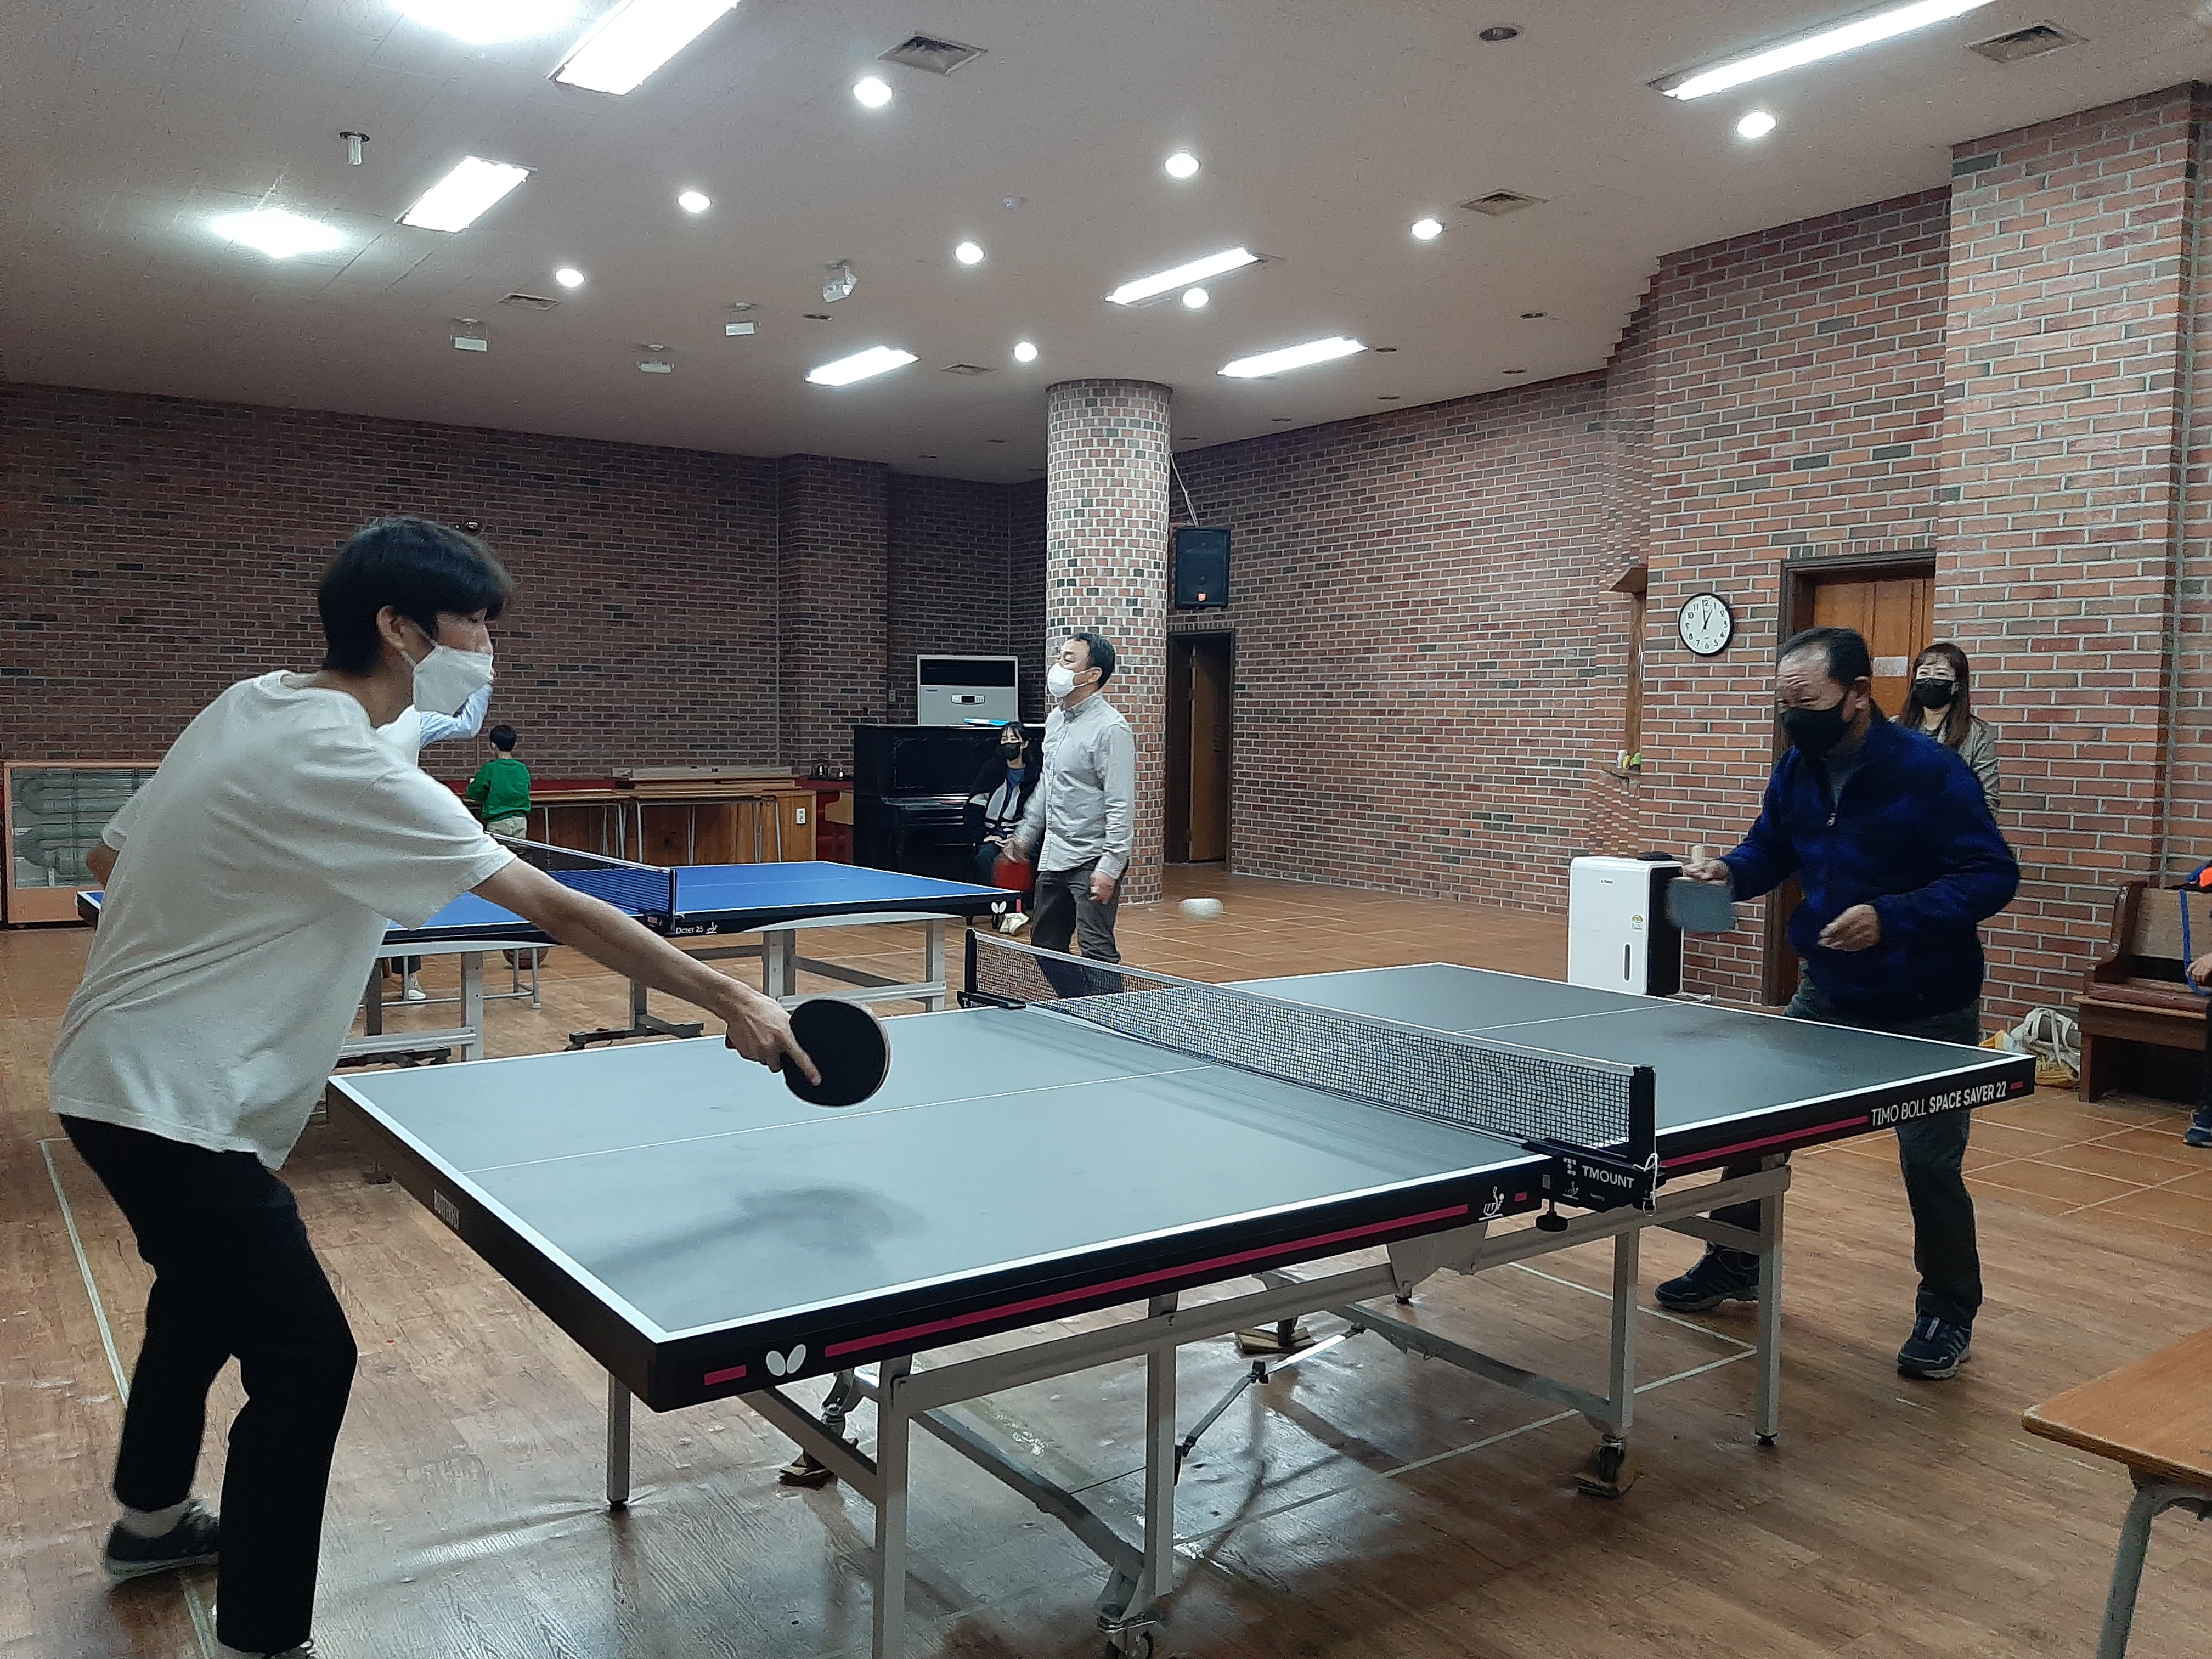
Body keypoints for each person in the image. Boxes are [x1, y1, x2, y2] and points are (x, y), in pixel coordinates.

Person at [49, 517, 813, 1659]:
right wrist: (732, 997)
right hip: (176, 1104)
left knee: (200, 1297)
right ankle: (263, 1637)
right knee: (307, 1358)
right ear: (400, 628)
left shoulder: (254, 703)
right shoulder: (347, 765)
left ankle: (151, 1522)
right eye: (474, 624)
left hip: (115, 1075)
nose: (487, 648)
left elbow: (110, 857)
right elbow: (552, 905)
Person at [1661, 624, 2018, 1382]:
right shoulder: (1799, 767)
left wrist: (1894, 916)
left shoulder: (1931, 772)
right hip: (1829, 987)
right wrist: (1729, 872)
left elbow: (1991, 875)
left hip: (1929, 999)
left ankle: (1949, 1308)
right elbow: (1772, 848)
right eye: (1783, 703)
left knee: (1930, 1162)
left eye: (1806, 700)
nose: (1793, 716)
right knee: (1757, 1130)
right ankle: (1736, 1259)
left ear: (1858, 694)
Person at [1000, 633, 1135, 981]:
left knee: (1096, 949)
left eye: (1069, 659)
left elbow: (1120, 803)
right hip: (1055, 852)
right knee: (1045, 945)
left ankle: (1108, 1013)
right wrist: (1026, 834)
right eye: (1060, 657)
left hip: (1093, 857)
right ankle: (1077, 1004)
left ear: (1093, 675)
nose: (1058, 666)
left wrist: (1110, 867)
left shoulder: (1111, 729)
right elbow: (1049, 783)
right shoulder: (1056, 720)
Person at [376, 681, 493, 1000]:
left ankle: (409, 978)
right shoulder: (344, 712)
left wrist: (481, 685)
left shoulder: (417, 717)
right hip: (353, 826)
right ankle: (355, 984)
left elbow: (466, 726)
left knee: (403, 901)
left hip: (400, 827)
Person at [1905, 641, 2000, 811]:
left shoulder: (1977, 734)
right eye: (1924, 673)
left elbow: (1987, 798)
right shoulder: (1895, 727)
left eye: (1941, 674)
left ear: (1957, 685)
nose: (1930, 680)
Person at [967, 724, 1039, 933]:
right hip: (994, 833)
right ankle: (1004, 908)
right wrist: (984, 836)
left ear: (1024, 744)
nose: (1008, 744)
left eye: (1013, 740)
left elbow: (1035, 813)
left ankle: (1017, 909)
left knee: (1020, 858)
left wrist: (1018, 839)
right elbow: (973, 806)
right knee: (985, 856)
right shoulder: (992, 770)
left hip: (1021, 835)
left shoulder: (1035, 775)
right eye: (1004, 740)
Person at [464, 723, 532, 838]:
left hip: (498, 821)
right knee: (518, 849)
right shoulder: (522, 768)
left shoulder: (490, 769)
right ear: (514, 744)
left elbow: (474, 792)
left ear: (493, 745)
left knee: (498, 850)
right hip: (520, 821)